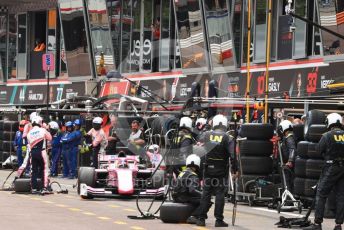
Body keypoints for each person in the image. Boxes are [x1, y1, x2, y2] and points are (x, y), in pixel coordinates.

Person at [304, 113, 344, 230]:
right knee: (341, 196)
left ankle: (317, 224)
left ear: (329, 122)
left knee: (321, 194)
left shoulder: (327, 135)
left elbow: (318, 150)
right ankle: (338, 225)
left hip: (331, 167)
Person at [196, 114, 235, 227]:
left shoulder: (206, 134)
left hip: (207, 168)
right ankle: (219, 220)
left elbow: (198, 149)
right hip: (221, 170)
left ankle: (201, 218)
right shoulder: (228, 137)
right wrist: (235, 170)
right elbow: (233, 155)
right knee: (219, 194)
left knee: (206, 193)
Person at [172, 154, 206, 225]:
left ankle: (198, 213)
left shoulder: (182, 172)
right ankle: (194, 216)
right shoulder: (193, 175)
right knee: (206, 200)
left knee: (199, 198)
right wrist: (203, 194)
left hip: (176, 196)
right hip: (183, 197)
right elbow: (192, 190)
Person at [27, 116, 52, 194]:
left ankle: (34, 188)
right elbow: (50, 138)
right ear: (39, 122)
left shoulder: (29, 133)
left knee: (34, 170)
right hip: (41, 151)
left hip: (33, 153)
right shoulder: (42, 130)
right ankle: (44, 187)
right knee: (44, 169)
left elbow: (29, 144)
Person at [278, 120, 296, 192]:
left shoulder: (289, 138)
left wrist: (290, 161)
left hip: (288, 165)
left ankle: (288, 199)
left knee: (287, 182)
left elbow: (292, 149)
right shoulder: (286, 138)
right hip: (285, 164)